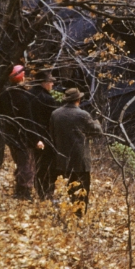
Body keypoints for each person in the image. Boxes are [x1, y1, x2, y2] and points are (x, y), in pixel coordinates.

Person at [50, 88, 103, 217]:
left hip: (61, 159)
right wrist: (97, 121)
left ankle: (64, 213)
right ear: (78, 100)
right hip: (80, 160)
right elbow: (97, 132)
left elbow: (51, 134)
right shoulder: (83, 115)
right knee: (81, 190)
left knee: (65, 188)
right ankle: (78, 216)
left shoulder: (55, 114)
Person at [0, 64, 38, 199]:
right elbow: (29, 122)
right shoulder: (24, 98)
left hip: (9, 135)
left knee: (20, 163)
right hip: (22, 136)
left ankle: (20, 190)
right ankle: (23, 193)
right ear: (21, 77)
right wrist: (35, 140)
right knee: (26, 166)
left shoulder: (2, 96)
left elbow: (0, 115)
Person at [28, 70, 59, 199]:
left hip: (30, 136)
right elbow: (53, 120)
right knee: (47, 167)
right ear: (43, 83)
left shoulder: (28, 95)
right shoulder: (47, 99)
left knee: (35, 165)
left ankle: (37, 190)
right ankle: (46, 193)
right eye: (50, 81)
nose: (52, 84)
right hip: (45, 138)